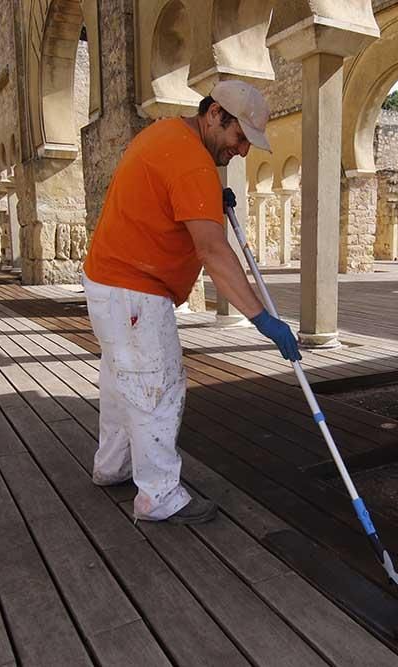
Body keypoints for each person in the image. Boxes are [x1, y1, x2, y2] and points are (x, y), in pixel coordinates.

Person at [82, 79, 300, 525]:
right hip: (135, 291)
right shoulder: (193, 164)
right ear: (215, 114)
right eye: (240, 138)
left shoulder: (166, 135)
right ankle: (158, 496)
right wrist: (262, 318)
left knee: (123, 382)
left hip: (108, 282)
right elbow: (213, 251)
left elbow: (167, 199)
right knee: (156, 386)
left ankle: (113, 466)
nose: (241, 152)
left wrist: (206, 199)